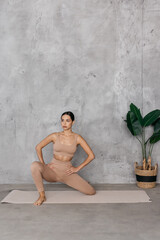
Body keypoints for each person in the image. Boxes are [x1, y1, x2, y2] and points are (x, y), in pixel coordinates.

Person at [30, 111, 96, 206]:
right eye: (62, 120)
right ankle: (42, 195)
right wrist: (44, 164)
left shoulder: (77, 138)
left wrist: (77, 168)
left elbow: (91, 156)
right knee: (34, 165)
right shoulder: (55, 136)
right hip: (52, 171)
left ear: (72, 122)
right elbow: (38, 147)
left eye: (67, 121)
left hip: (67, 172)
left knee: (91, 191)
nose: (64, 123)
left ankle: (82, 181)